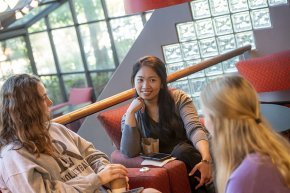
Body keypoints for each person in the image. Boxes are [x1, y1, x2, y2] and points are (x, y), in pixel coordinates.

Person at [0, 73, 160, 193]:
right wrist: (97, 179)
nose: (50, 102)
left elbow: (92, 154)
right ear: (28, 108)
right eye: (43, 98)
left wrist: (108, 173)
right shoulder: (13, 157)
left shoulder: (55, 129)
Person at [120, 56, 213, 193]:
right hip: (176, 168)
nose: (145, 86)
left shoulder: (179, 99)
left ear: (162, 83)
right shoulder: (131, 115)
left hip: (195, 154)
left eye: (152, 80)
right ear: (134, 82)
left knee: (182, 151)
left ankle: (215, 184)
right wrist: (130, 114)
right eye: (140, 80)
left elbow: (194, 128)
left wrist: (206, 159)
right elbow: (129, 152)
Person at [200, 75, 290, 193]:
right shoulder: (275, 150)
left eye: (205, 115)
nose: (204, 122)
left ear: (217, 121)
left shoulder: (245, 177)